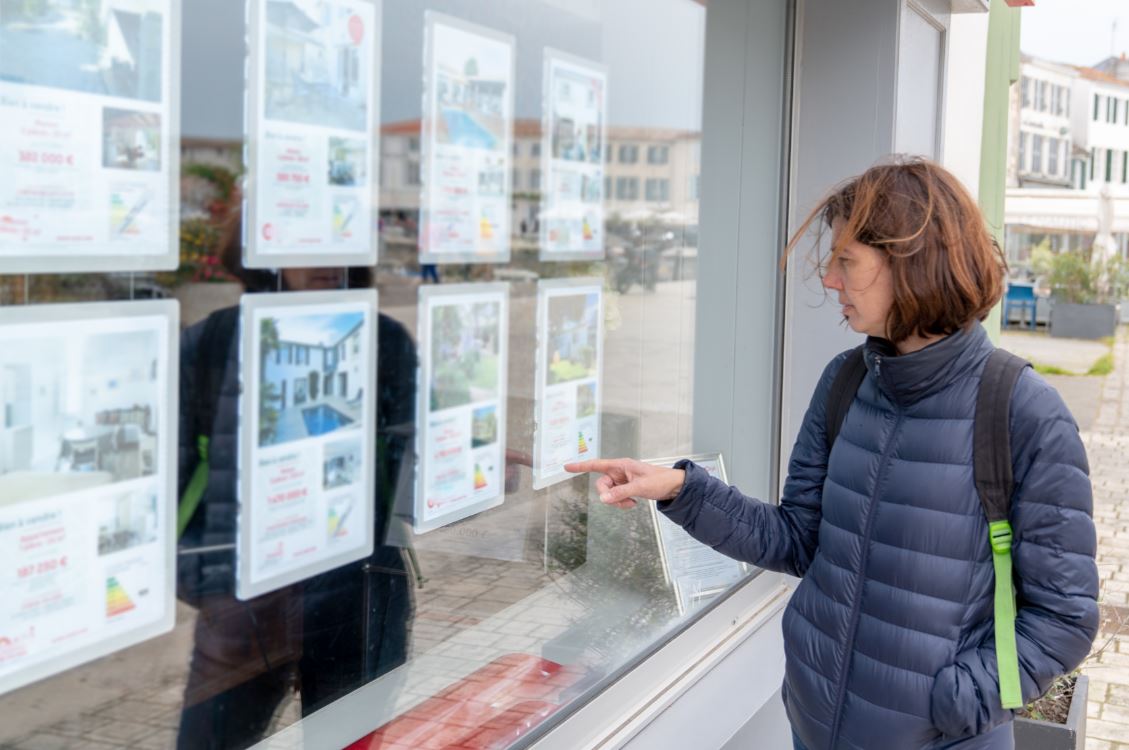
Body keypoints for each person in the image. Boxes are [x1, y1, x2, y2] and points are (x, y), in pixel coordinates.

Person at [568, 159, 1098, 749]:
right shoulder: (846, 381)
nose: (829, 279)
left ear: (912, 263)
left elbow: (1064, 619)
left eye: (846, 261)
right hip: (816, 729)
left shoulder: (1023, 411)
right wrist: (679, 489)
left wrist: (952, 705)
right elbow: (798, 539)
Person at [176, 266, 417, 749]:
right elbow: (171, 475)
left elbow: (408, 467)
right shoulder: (214, 340)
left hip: (359, 598)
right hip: (242, 607)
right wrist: (210, 584)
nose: (325, 257)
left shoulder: (383, 340)